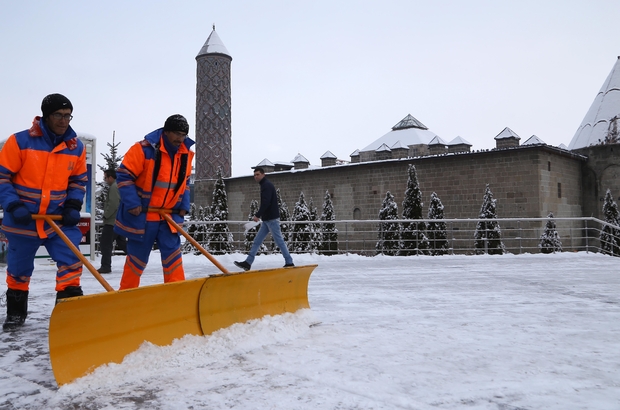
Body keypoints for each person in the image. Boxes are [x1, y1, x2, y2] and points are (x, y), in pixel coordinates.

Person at [0, 93, 87, 331]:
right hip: (23, 219)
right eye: (58, 115)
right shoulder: (19, 142)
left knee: (71, 261)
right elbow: (2, 177)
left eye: (68, 115)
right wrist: (13, 205)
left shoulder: (75, 146)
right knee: (19, 270)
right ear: (46, 116)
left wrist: (72, 205)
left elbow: (78, 181)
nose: (64, 120)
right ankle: (16, 315)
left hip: (57, 220)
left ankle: (67, 316)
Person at [114, 114, 194, 290]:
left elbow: (185, 183)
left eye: (183, 135)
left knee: (173, 259)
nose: (180, 139)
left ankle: (177, 295)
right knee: (136, 260)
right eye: (176, 134)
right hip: (143, 216)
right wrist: (133, 203)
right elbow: (124, 176)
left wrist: (183, 206)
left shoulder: (185, 154)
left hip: (169, 218)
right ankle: (126, 295)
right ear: (166, 132)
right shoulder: (143, 149)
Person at [234, 167, 294, 271]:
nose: (255, 177)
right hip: (267, 220)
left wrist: (257, 215)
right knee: (257, 241)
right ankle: (248, 263)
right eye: (254, 175)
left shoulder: (266, 185)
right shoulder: (265, 185)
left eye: (257, 174)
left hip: (271, 219)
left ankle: (289, 262)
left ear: (263, 174)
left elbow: (266, 203)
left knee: (279, 241)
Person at [97, 168, 127, 274]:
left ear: (110, 177)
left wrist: (105, 215)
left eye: (105, 177)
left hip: (111, 221)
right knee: (122, 243)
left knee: (105, 243)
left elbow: (113, 203)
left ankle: (105, 266)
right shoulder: (118, 185)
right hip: (118, 220)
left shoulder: (114, 187)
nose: (105, 180)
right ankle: (137, 259)